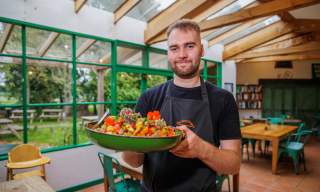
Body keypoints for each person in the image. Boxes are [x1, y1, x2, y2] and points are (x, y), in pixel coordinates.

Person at [122, 19, 241, 192]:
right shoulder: (148, 98)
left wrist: (200, 148)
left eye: (190, 46)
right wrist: (126, 137)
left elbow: (233, 165)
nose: (182, 54)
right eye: (174, 48)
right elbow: (134, 161)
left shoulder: (223, 99)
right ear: (168, 53)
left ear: (201, 50)